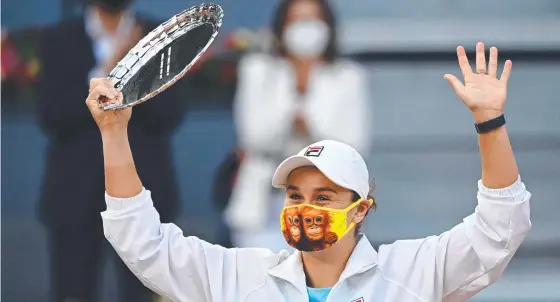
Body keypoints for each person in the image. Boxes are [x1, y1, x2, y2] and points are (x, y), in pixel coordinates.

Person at [86, 43, 531, 301]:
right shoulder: (242, 277)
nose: (303, 208)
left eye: (323, 197)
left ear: (361, 210)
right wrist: (113, 132)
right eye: (295, 196)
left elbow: (497, 232)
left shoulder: (412, 271)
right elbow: (141, 241)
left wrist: (489, 123)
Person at [36, 0, 188, 301]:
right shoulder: (59, 38)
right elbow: (53, 114)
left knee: (143, 293)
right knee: (73, 291)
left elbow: (169, 114)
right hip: (74, 196)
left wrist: (139, 71)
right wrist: (111, 69)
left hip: (144, 195)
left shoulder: (158, 36)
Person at [227, 0, 373, 251]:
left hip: (326, 203)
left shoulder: (347, 75)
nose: (306, 29)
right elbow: (253, 135)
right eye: (297, 20)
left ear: (328, 26)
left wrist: (310, 123)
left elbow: (355, 143)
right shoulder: (258, 69)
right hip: (263, 199)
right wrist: (290, 113)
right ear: (282, 27)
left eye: (313, 20)